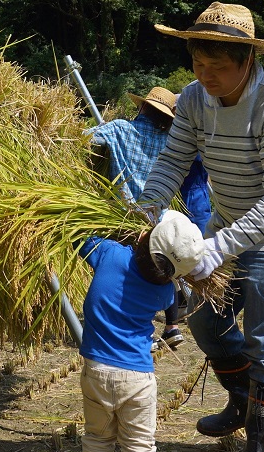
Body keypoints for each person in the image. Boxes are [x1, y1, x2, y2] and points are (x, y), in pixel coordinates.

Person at [142, 2, 264, 452]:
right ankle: (242, 396)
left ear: (248, 63)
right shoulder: (194, 98)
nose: (206, 76)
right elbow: (174, 157)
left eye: (219, 67)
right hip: (227, 224)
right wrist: (146, 209)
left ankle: (262, 449)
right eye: (199, 65)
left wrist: (219, 248)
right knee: (204, 320)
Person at [77, 211, 205, 452]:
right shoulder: (163, 292)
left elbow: (80, 238)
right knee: (138, 442)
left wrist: (113, 224)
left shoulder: (110, 253)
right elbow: (172, 298)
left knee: (97, 434)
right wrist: (173, 325)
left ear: (144, 238)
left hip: (95, 370)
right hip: (136, 378)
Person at [87, 88, 209, 350]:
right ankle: (172, 327)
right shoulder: (169, 139)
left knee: (130, 271)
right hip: (159, 217)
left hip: (124, 216)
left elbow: (87, 139)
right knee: (164, 269)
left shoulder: (120, 129)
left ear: (143, 108)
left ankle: (139, 331)